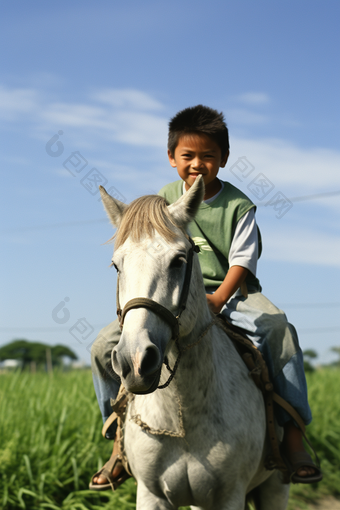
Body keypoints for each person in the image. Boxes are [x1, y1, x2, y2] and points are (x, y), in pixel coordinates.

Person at [89, 105, 322, 490]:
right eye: (188, 156)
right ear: (171, 158)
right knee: (101, 347)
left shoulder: (239, 206)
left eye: (208, 156)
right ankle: (117, 436)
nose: (198, 164)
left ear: (224, 159)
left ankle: (293, 434)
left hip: (233, 295)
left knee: (280, 330)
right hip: (168, 297)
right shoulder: (160, 201)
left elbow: (242, 262)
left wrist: (218, 299)